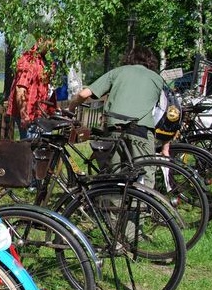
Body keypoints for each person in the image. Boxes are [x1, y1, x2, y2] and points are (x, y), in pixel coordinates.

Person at [67, 45, 164, 189]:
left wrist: (71, 108)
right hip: (142, 131)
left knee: (114, 176)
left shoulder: (118, 72)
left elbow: (83, 94)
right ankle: (142, 201)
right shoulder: (157, 79)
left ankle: (114, 201)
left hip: (114, 128)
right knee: (145, 175)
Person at [5, 37, 57, 139]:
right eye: (50, 44)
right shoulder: (29, 60)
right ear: (41, 40)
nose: (53, 48)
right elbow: (20, 90)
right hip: (30, 115)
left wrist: (54, 108)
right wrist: (24, 116)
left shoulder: (46, 60)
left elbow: (47, 88)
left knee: (45, 146)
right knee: (30, 147)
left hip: (42, 114)